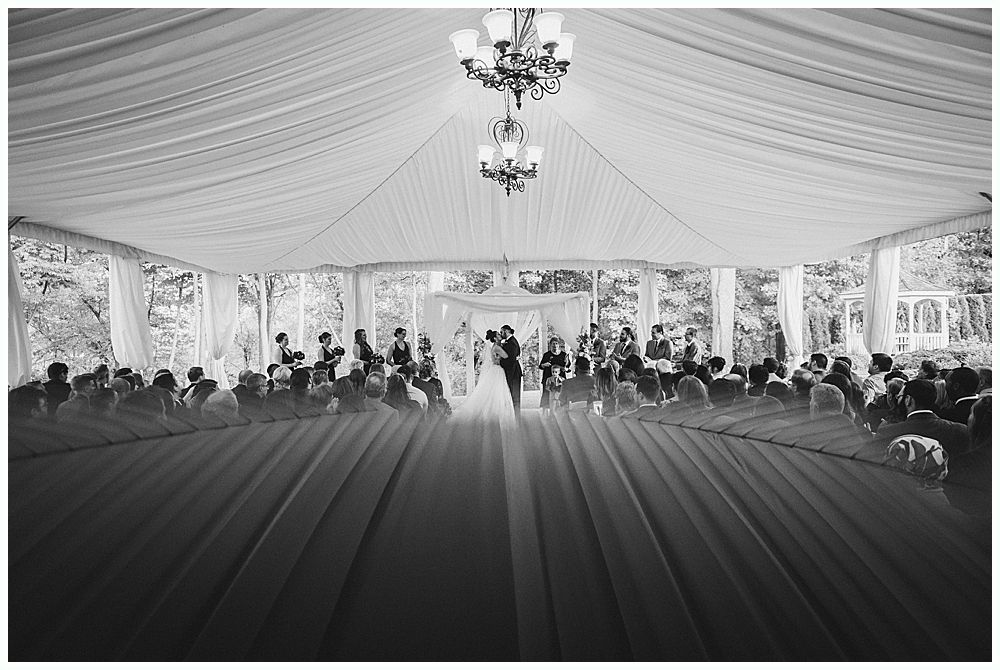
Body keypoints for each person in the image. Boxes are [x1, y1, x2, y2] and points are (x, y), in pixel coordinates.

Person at [875, 379, 970, 456]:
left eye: (899, 397)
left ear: (908, 400)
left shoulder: (887, 432)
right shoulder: (960, 430)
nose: (897, 400)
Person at [453, 329, 515, 429]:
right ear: (495, 338)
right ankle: (494, 415)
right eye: (498, 334)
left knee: (495, 392)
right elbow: (506, 356)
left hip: (496, 370)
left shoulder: (496, 346)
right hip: (497, 370)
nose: (500, 335)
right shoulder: (497, 347)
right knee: (497, 392)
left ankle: (495, 413)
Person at [539, 337, 569, 409]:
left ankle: (561, 412)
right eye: (553, 344)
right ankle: (546, 413)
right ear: (550, 345)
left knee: (560, 395)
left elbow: (567, 367)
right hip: (548, 378)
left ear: (559, 345)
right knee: (547, 396)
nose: (555, 345)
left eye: (556, 344)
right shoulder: (546, 355)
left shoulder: (564, 355)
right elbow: (540, 366)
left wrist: (565, 368)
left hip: (560, 379)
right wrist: (544, 365)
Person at [499, 324, 523, 412]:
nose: (500, 334)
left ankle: (516, 417)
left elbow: (511, 360)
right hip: (512, 372)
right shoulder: (510, 341)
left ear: (506, 331)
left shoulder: (512, 343)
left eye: (501, 332)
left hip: (513, 373)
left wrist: (499, 362)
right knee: (512, 395)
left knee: (515, 396)